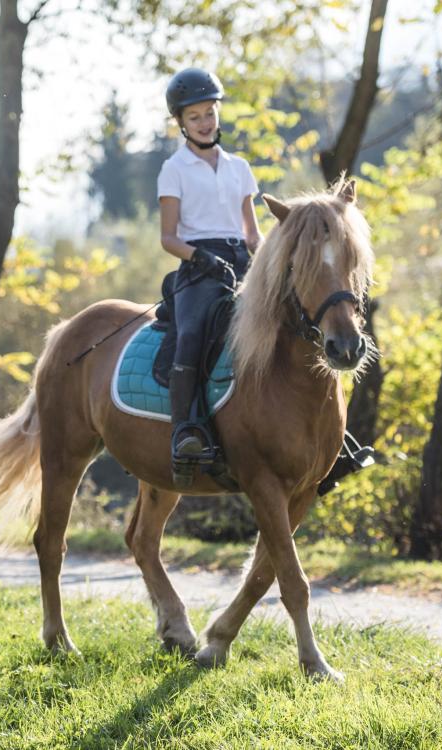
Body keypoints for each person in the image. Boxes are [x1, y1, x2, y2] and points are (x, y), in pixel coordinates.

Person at [156, 69, 262, 482]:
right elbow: (168, 237)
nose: (205, 122)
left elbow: (253, 234)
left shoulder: (240, 168)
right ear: (181, 123)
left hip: (243, 262)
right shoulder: (174, 169)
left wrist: (273, 262)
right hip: (199, 266)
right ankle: (185, 430)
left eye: (210, 113)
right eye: (195, 116)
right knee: (193, 333)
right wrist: (200, 258)